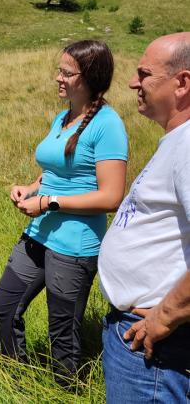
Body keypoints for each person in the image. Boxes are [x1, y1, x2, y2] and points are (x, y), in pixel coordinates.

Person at [0, 40, 128, 383]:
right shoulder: (63, 116)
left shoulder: (107, 124)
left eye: (67, 72)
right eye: (59, 70)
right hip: (40, 233)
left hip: (74, 245)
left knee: (62, 333)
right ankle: (15, 381)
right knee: (3, 308)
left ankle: (66, 389)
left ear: (90, 77)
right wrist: (32, 187)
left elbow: (111, 197)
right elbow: (56, 171)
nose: (58, 78)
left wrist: (48, 203)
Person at [99, 33, 190, 402]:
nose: (133, 83)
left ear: (182, 83)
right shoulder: (177, 140)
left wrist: (164, 317)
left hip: (155, 343)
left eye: (144, 74)